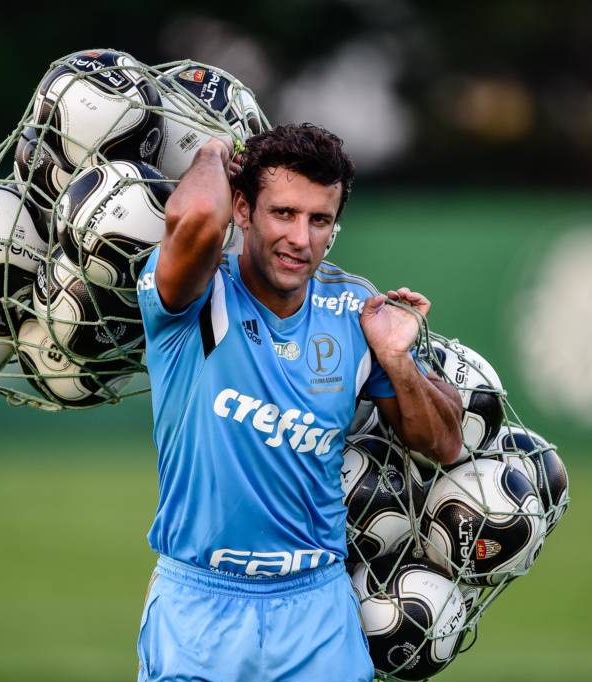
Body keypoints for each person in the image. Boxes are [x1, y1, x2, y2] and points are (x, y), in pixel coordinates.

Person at [135, 123, 463, 681]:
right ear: (243, 209)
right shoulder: (195, 292)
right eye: (283, 213)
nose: (301, 239)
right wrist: (213, 150)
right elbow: (199, 218)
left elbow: (445, 442)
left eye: (319, 220)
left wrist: (397, 360)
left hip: (316, 612)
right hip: (198, 608)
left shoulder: (355, 308)